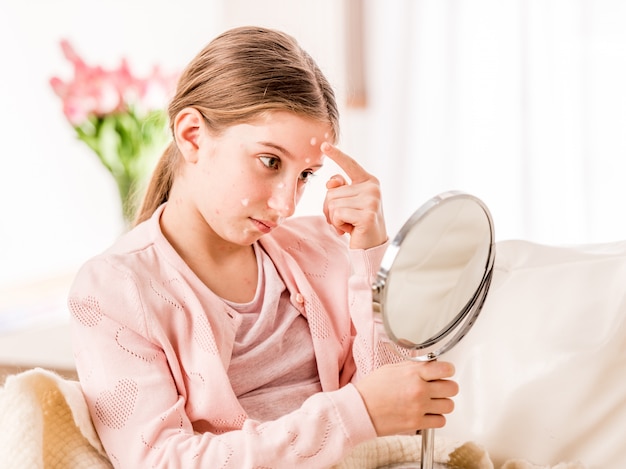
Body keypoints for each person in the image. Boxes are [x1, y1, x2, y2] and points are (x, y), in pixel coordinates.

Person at [68, 25, 458, 468]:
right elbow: (161, 460)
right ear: (192, 135)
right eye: (269, 161)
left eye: (305, 174)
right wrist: (353, 413)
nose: (287, 204)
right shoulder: (113, 288)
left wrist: (370, 254)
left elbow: (400, 415)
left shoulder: (326, 247)